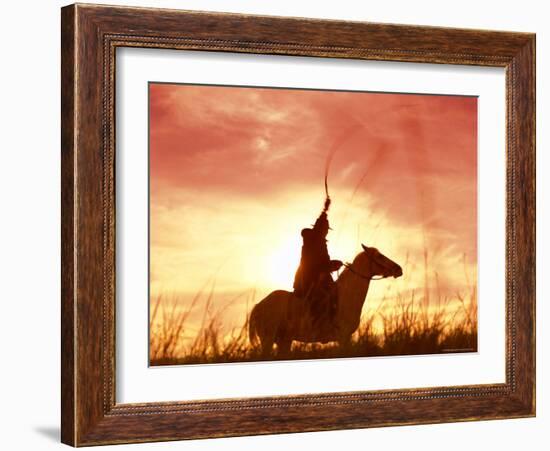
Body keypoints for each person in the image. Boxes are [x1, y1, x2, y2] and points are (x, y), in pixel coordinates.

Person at [293, 197, 343, 326]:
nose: (326, 231)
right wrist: (325, 211)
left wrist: (334, 264)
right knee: (320, 296)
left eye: (327, 229)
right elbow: (315, 264)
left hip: (321, 278)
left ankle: (331, 321)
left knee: (337, 292)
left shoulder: (321, 243)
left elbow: (324, 264)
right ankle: (316, 323)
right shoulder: (311, 239)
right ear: (319, 228)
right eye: (325, 228)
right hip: (307, 278)